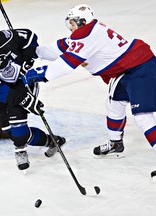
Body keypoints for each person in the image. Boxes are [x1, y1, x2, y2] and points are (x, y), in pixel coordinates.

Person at [25, 4, 156, 158]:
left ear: (82, 22)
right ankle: (115, 143)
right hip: (125, 70)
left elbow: (66, 64)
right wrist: (34, 51)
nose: (70, 27)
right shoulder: (89, 31)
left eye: (72, 23)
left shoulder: (88, 36)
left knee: (143, 116)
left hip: (139, 68)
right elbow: (61, 48)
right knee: (114, 104)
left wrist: (40, 73)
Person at [0, 25, 66, 170]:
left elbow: (30, 38)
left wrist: (27, 63)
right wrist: (25, 100)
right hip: (5, 93)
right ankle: (52, 141)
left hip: (24, 83)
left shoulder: (6, 38)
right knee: (9, 130)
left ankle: (20, 149)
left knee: (19, 134)